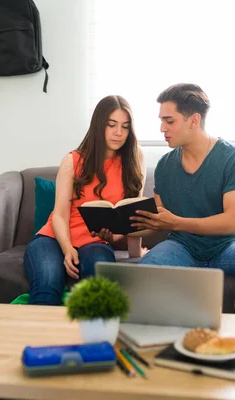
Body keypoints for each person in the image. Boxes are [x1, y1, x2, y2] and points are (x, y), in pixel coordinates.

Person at [131, 83, 235, 306]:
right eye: (161, 121)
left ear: (194, 120)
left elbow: (230, 223)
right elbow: (161, 220)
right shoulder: (165, 165)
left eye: (169, 121)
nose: (162, 128)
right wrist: (120, 233)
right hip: (180, 247)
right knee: (147, 271)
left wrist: (177, 223)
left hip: (226, 247)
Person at [24, 95, 145, 305]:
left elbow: (132, 213)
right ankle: (42, 338)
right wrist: (67, 248)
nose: (119, 133)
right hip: (53, 238)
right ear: (99, 126)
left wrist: (133, 251)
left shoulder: (135, 158)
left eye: (125, 127)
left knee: (97, 293)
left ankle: (91, 338)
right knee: (46, 287)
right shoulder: (72, 160)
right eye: (112, 125)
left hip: (96, 242)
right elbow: (60, 215)